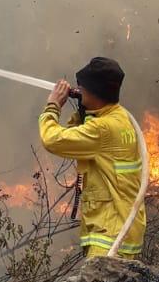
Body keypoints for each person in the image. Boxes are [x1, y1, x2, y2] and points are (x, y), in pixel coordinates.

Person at [39, 56, 145, 261]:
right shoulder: (119, 117)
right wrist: (83, 110)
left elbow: (52, 140)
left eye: (83, 87)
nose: (79, 89)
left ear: (95, 92)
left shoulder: (102, 129)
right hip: (120, 229)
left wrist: (52, 106)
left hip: (109, 236)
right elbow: (81, 138)